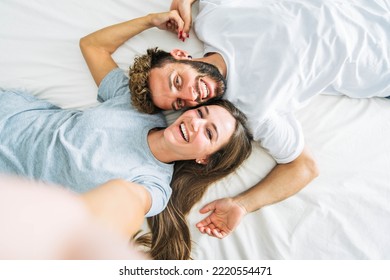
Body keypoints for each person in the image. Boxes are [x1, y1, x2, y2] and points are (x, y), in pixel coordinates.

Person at [136, 0, 390, 239]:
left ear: (181, 55)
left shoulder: (211, 21)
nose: (191, 95)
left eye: (178, 81)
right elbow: (304, 167)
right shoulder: (251, 112)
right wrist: (242, 205)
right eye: (180, 103)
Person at [0, 10, 253, 248]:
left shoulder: (154, 185)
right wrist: (150, 19)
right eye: (199, 113)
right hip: (8, 110)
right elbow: (93, 46)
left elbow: (127, 202)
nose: (195, 123)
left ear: (204, 158)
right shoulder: (134, 106)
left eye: (209, 133)